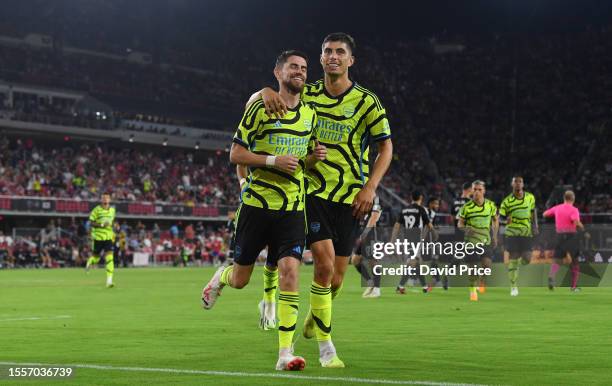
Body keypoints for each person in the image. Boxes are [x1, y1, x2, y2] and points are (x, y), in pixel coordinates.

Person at [247, 32, 393, 368]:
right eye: (327, 51)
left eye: (340, 52)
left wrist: (370, 186)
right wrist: (265, 91)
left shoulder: (367, 101)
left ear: (350, 60)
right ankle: (327, 348)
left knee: (336, 278)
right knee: (324, 266)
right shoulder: (308, 92)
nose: (332, 57)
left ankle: (316, 315)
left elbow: (386, 146)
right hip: (311, 191)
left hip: (351, 197)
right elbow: (269, 97)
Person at [201, 50, 326, 371]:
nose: (299, 71)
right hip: (256, 206)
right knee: (241, 279)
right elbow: (235, 153)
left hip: (292, 208)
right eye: (292, 67)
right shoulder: (260, 105)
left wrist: (315, 158)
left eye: (303, 68)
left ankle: (285, 352)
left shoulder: (311, 116)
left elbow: (304, 161)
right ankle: (220, 277)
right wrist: (272, 160)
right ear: (277, 72)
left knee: (290, 273)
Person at [457, 181, 498, 301]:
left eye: (479, 190)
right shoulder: (466, 207)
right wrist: (465, 229)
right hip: (470, 242)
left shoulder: (490, 205)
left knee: (487, 265)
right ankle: (472, 290)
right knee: (473, 268)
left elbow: (495, 220)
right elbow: (460, 223)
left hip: (485, 240)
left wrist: (495, 236)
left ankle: (482, 279)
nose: (477, 192)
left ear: (484, 191)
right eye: (475, 189)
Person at [499, 176, 537, 296]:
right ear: (512, 184)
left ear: (523, 184)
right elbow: (500, 218)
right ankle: (513, 286)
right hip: (512, 232)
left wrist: (535, 225)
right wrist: (506, 222)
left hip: (526, 232)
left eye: (520, 181)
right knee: (513, 256)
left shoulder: (530, 197)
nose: (518, 184)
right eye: (515, 181)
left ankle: (514, 267)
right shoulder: (506, 201)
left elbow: (532, 212)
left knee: (527, 258)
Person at [391, 191, 433, 294]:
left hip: (407, 238)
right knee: (412, 263)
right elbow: (429, 225)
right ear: (421, 198)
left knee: (416, 263)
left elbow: (397, 225)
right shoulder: (421, 209)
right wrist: (435, 233)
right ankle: (400, 286)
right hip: (416, 239)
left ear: (411, 197)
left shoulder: (404, 209)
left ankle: (425, 287)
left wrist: (393, 239)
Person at [543, 190, 584, 292]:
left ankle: (552, 276)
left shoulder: (557, 208)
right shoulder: (574, 209)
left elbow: (545, 214)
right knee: (574, 262)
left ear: (564, 198)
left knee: (557, 259)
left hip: (559, 235)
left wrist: (556, 213)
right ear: (573, 198)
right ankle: (573, 287)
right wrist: (582, 227)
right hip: (571, 236)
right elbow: (575, 221)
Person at [351, 195, 382, 298]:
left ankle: (377, 289)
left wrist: (365, 232)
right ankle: (370, 282)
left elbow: (374, 217)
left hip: (371, 236)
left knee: (373, 262)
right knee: (355, 260)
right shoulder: (361, 196)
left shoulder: (375, 198)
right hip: (363, 236)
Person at [85, 192, 116, 288]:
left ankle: (109, 281)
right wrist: (102, 225)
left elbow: (111, 222)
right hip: (98, 237)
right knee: (96, 258)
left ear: (110, 199)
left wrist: (115, 226)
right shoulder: (96, 210)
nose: (106, 199)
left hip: (108, 237)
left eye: (107, 197)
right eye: (104, 198)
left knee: (110, 258)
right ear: (101, 200)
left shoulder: (112, 210)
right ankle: (90, 262)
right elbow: (91, 222)